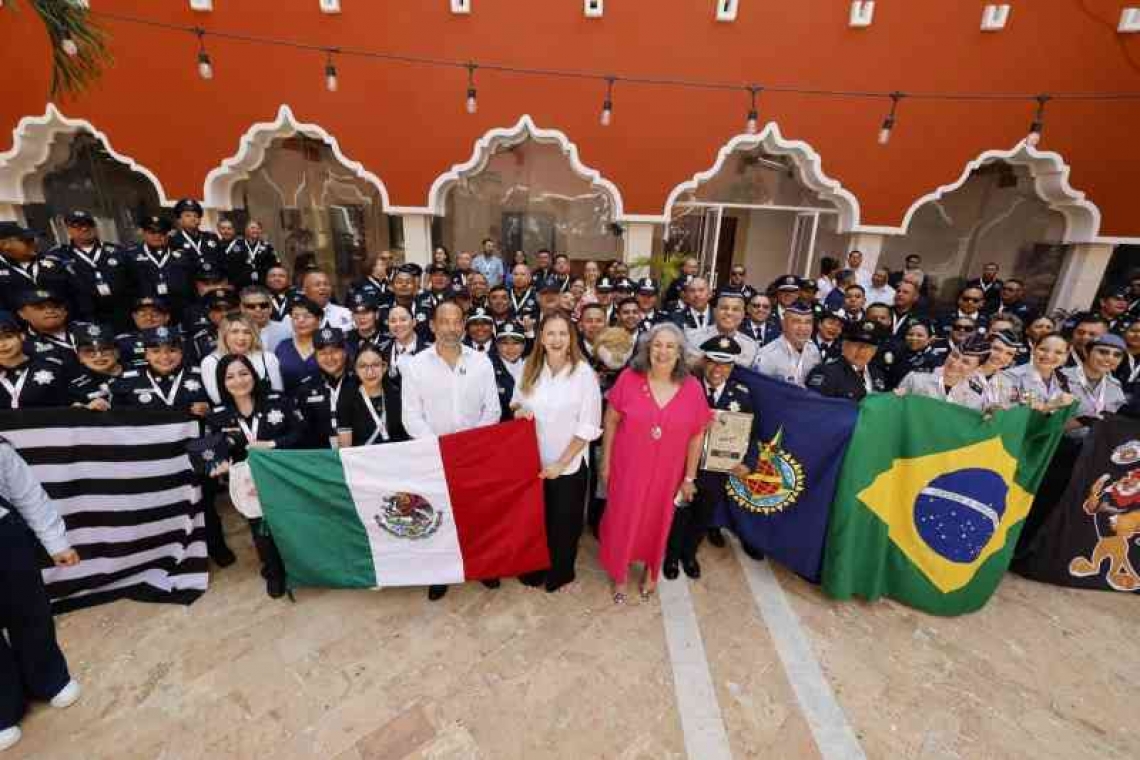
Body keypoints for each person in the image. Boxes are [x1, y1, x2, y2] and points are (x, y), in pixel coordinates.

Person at [599, 322, 711, 604]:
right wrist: (606, 462)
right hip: (628, 468)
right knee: (623, 520)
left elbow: (697, 435)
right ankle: (621, 574)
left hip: (668, 474)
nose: (662, 351)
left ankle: (651, 571)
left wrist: (689, 478)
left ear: (680, 352)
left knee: (658, 522)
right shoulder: (628, 378)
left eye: (670, 346)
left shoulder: (693, 387)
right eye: (657, 345)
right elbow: (611, 421)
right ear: (648, 349)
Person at [400, 302, 501, 601]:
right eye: (444, 321)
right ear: (432, 325)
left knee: (478, 513)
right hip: (434, 455)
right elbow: (411, 416)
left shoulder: (481, 363)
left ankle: (483, 566)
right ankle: (440, 572)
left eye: (457, 321)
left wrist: (469, 446)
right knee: (437, 514)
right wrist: (439, 447)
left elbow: (492, 409)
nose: (451, 327)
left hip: (474, 454)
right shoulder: (415, 365)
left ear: (464, 325)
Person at [0, 439, 82, 753]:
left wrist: (56, 542)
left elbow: (29, 495)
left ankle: (48, 678)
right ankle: (3, 705)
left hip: (6, 540)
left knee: (30, 612)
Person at [512, 312, 602, 593]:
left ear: (571, 338)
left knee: (564, 523)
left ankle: (561, 571)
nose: (556, 339)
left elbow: (589, 425)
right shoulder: (529, 368)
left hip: (569, 464)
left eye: (563, 333)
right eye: (550, 333)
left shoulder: (583, 374)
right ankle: (535, 567)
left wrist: (561, 464)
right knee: (536, 520)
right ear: (541, 337)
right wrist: (520, 411)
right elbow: (516, 404)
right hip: (533, 462)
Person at [207, 354, 302, 598]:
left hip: (282, 476)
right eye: (230, 376)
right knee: (259, 528)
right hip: (247, 483)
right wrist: (219, 465)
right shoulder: (217, 416)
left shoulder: (278, 401)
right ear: (221, 382)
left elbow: (300, 433)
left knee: (290, 524)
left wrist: (271, 443)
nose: (238, 381)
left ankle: (299, 566)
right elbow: (214, 452)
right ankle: (273, 571)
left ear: (254, 374)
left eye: (243, 373)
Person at [665, 335, 757, 581]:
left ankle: (689, 554)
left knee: (702, 514)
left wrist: (746, 461)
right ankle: (671, 556)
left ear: (732, 367)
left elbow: (751, 432)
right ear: (705, 362)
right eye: (714, 362)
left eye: (725, 365)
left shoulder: (742, 395)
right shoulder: (686, 387)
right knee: (679, 512)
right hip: (683, 464)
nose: (719, 370)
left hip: (717, 469)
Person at [50, 210, 133, 331]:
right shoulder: (59, 256)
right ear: (68, 229)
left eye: (88, 224)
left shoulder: (117, 251)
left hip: (122, 315)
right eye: (77, 225)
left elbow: (133, 282)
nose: (84, 229)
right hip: (84, 318)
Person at [200, 313, 284, 404]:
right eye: (235, 332)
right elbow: (218, 399)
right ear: (224, 335)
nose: (241, 337)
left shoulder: (268, 358)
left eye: (247, 332)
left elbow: (277, 394)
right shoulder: (210, 362)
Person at [125, 215, 196, 322]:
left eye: (162, 233)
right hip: (149, 315)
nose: (157, 236)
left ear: (168, 234)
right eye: (152, 232)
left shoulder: (182, 256)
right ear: (143, 233)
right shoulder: (130, 256)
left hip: (179, 312)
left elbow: (191, 286)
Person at [1060, 333, 1127, 440]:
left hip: (1094, 449)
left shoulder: (1116, 386)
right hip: (1058, 447)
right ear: (1086, 352)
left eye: (1117, 355)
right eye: (1103, 352)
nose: (1110, 358)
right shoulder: (1060, 378)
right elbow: (1042, 425)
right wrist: (1080, 422)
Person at [896, 336, 991, 410]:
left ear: (977, 369)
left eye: (965, 362)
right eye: (954, 356)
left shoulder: (976, 395)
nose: (955, 363)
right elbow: (895, 407)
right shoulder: (916, 378)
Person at [806, 319, 888, 400]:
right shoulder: (826, 372)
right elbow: (815, 405)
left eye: (868, 347)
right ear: (844, 346)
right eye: (857, 345)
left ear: (874, 351)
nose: (862, 351)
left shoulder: (878, 374)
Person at [0, 313, 69, 408]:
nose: (2, 345)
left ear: (22, 336)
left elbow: (75, 402)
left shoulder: (53, 367)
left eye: (8, 336)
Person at [342, 343, 405, 447]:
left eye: (375, 365)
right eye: (363, 366)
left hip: (396, 459)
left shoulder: (398, 396)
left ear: (384, 367)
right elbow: (345, 450)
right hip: (362, 461)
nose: (370, 372)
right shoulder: (347, 400)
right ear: (355, 370)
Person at [0, 223, 68, 315]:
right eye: (26, 241)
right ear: (5, 245)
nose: (33, 243)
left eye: (32, 239)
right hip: (19, 327)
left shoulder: (55, 263)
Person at [753, 302, 821, 387]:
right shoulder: (767, 355)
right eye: (796, 321)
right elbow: (758, 391)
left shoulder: (813, 350)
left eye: (808, 322)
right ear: (784, 324)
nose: (803, 328)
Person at [684, 291, 758, 368]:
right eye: (724, 308)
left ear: (743, 315)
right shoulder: (692, 338)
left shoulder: (751, 346)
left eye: (735, 309)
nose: (729, 313)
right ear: (714, 311)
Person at [1007, 333, 1075, 408]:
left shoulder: (1068, 380)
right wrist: (1050, 405)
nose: (1049, 356)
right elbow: (1012, 412)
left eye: (1058, 352)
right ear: (1033, 348)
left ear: (1066, 356)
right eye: (1043, 349)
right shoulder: (1011, 376)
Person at [68, 324, 124, 410]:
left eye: (105, 349)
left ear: (117, 352)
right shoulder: (76, 388)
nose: (98, 356)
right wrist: (85, 411)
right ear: (79, 357)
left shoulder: (144, 372)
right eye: (89, 351)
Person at [275, 297, 322, 393]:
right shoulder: (283, 347)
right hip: (290, 404)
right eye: (295, 317)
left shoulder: (329, 344)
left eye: (307, 316)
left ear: (319, 320)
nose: (301, 321)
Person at [223, 220, 279, 289]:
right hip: (240, 286)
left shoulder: (267, 246)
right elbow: (226, 263)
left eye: (258, 228)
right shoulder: (235, 244)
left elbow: (275, 265)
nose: (255, 230)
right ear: (246, 230)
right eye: (252, 228)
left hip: (263, 285)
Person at [976, 330, 1022, 409]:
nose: (1000, 357)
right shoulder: (963, 371)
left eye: (1009, 354)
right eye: (996, 349)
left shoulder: (1008, 382)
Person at [240, 285, 292, 354]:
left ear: (270, 307)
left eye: (263, 305)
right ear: (242, 308)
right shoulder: (233, 332)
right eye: (251, 306)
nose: (258, 309)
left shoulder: (286, 332)